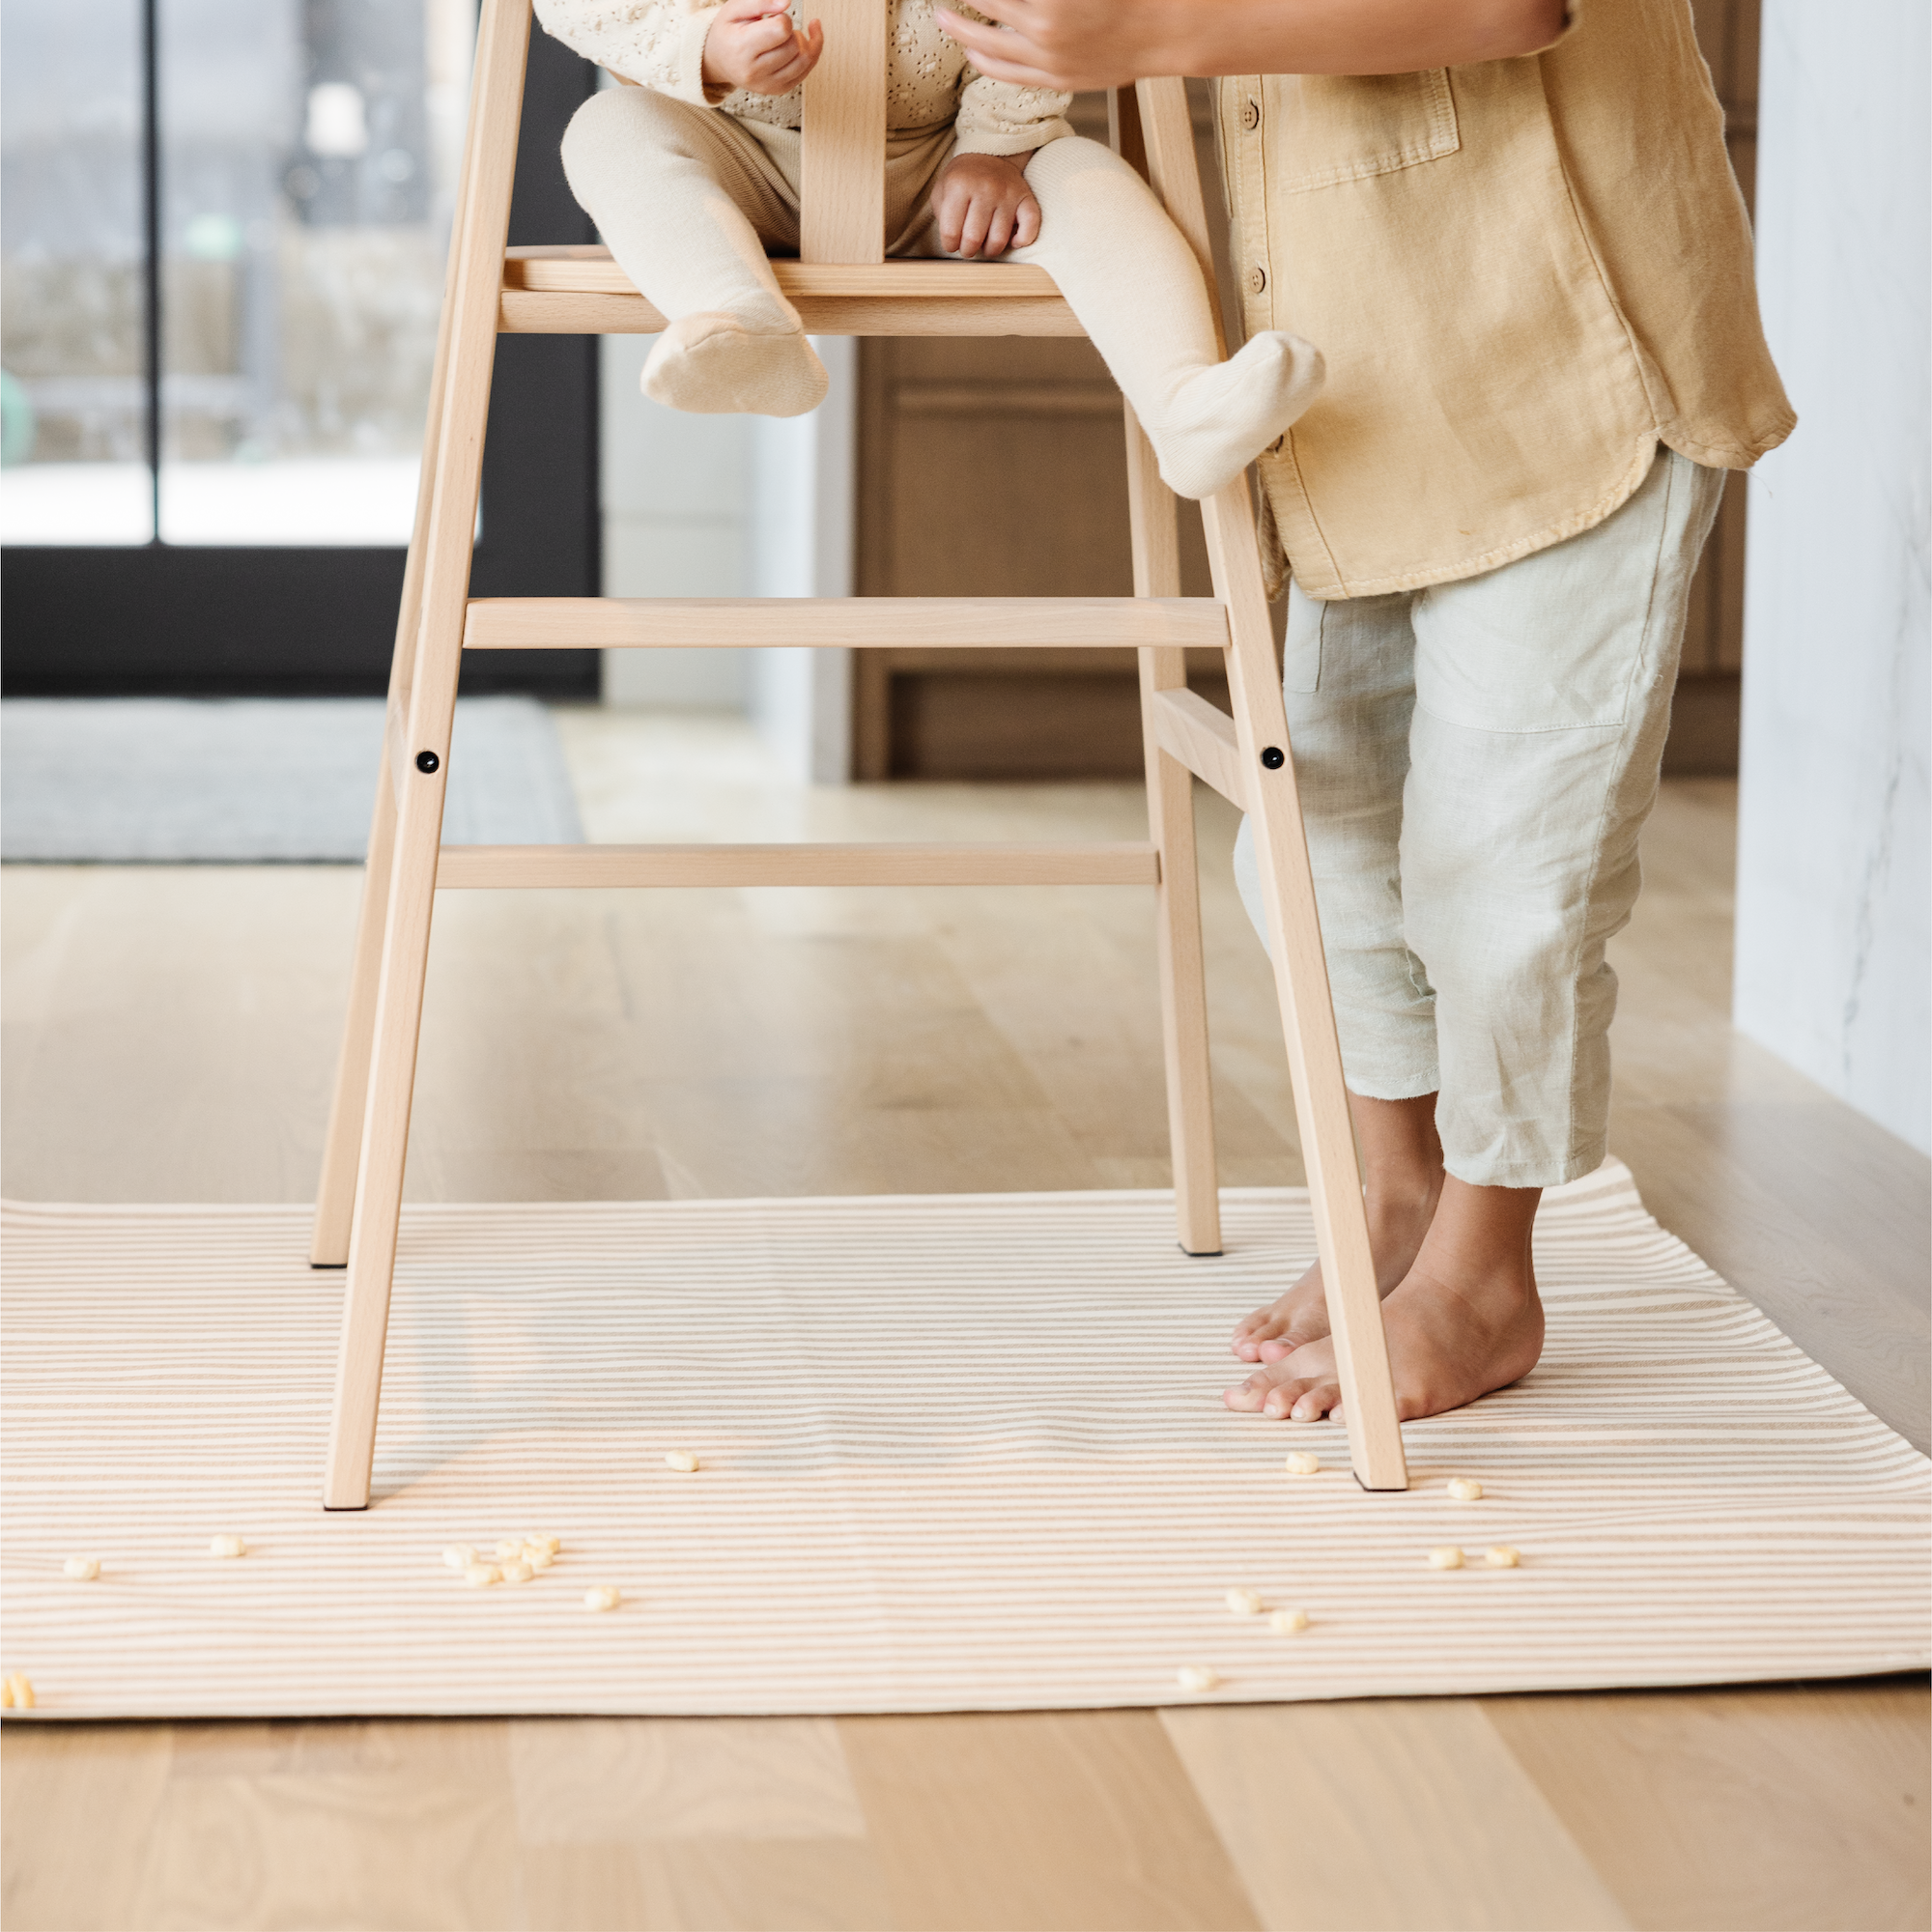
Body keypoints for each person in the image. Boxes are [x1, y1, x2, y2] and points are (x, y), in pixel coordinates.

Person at [939, 0, 1795, 1425]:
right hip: (1366, 374)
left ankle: (1483, 1272)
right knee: (1315, 839)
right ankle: (1393, 1199)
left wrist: (1137, 36)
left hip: (1571, 354)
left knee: (1506, 866)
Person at [534, 0, 1325, 501]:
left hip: (955, 171)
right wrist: (697, 41)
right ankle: (744, 321)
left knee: (1088, 177)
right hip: (739, 159)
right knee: (609, 131)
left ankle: (1183, 404)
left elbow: (1033, 19)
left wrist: (997, 144)